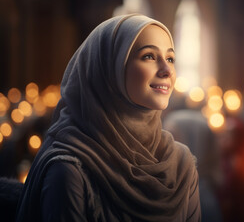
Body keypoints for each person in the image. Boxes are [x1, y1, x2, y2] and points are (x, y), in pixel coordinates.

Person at [16, 14, 201, 222]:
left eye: (170, 58)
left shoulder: (180, 164)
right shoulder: (69, 171)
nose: (167, 71)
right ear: (109, 69)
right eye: (149, 56)